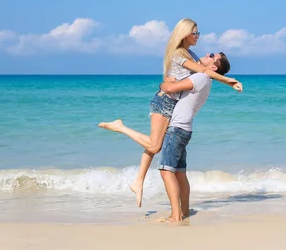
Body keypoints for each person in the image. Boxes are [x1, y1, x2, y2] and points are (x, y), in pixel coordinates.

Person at [98, 18, 242, 207]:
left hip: (171, 103)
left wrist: (168, 81)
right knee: (155, 145)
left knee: (153, 145)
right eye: (195, 33)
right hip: (165, 101)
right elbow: (203, 72)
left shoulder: (191, 54)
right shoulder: (179, 54)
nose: (198, 37)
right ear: (184, 34)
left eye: (198, 33)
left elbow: (201, 71)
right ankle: (121, 127)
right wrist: (229, 81)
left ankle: (138, 181)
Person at [155, 53, 228, 222]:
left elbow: (170, 89)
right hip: (184, 128)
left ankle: (175, 215)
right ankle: (185, 211)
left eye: (211, 55)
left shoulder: (202, 77)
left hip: (177, 128)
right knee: (180, 172)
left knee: (166, 171)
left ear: (214, 67)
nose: (206, 54)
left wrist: (164, 83)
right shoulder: (205, 79)